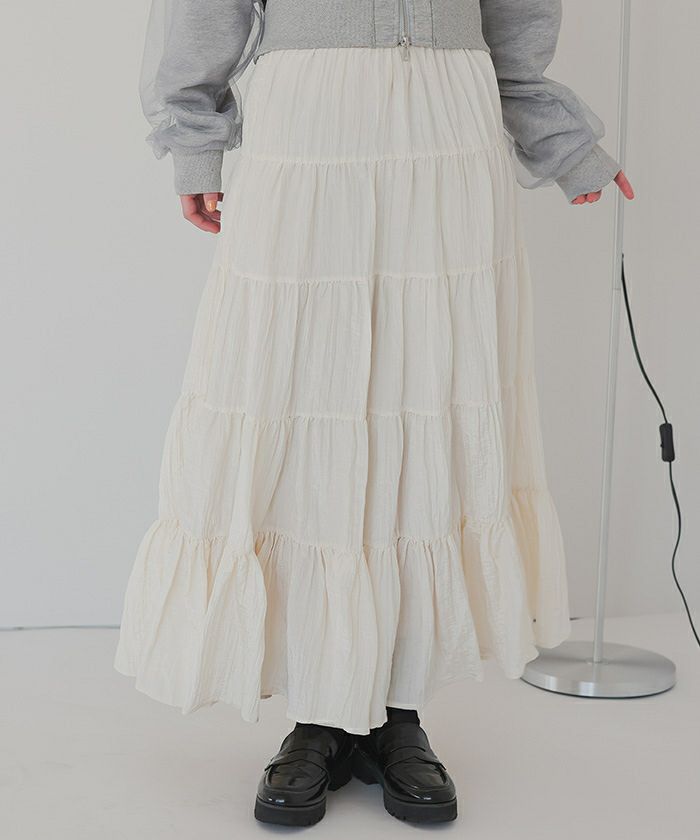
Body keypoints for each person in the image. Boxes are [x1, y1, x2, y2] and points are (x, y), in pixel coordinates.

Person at [114, 0, 635, 827]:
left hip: (450, 128)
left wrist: (562, 141)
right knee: (303, 398)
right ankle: (319, 714)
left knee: (428, 397)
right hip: (310, 122)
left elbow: (517, 15)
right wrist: (194, 141)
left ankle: (398, 710)